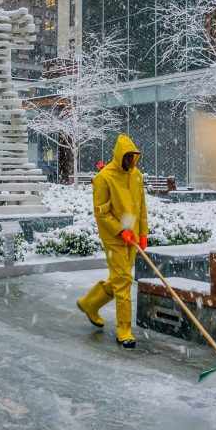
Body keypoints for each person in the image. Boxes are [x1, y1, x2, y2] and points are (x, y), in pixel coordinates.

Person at [77, 135, 148, 349]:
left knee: (120, 279)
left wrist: (143, 233)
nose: (130, 162)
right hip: (114, 238)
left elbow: (142, 207)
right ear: (118, 156)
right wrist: (120, 231)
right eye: (126, 158)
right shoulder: (104, 178)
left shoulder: (136, 176)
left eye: (133, 158)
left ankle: (90, 303)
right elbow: (102, 213)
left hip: (133, 236)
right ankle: (124, 330)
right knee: (124, 279)